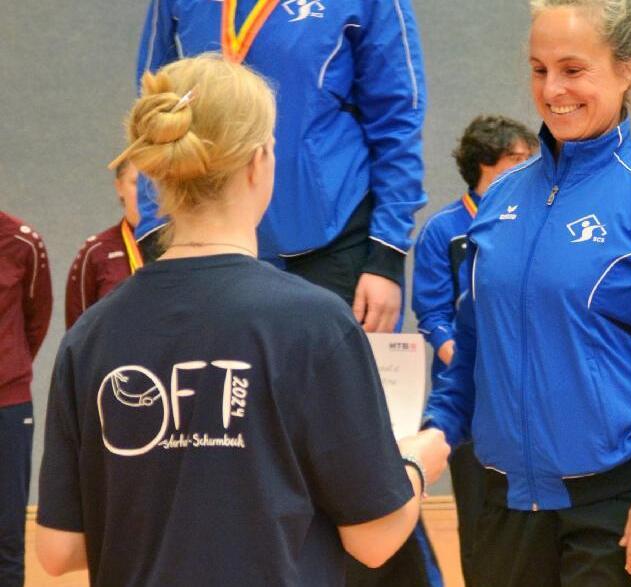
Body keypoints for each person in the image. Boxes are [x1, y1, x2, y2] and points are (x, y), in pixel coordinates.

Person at [35, 54, 448, 587]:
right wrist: (413, 465)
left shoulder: (90, 336)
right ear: (260, 161)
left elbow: (57, 548)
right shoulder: (315, 324)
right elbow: (373, 539)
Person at [422, 1, 631, 584]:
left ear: (627, 68)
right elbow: (474, 337)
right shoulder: (503, 196)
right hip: (505, 504)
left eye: (572, 69)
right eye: (539, 70)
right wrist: (437, 432)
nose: (553, 89)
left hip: (618, 502)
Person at [135, 0, 427, 335]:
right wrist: (154, 236)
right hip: (206, 244)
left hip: (332, 243)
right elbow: (153, 111)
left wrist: (385, 257)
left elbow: (398, 121)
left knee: (331, 385)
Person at [412, 115, 537, 584]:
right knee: (480, 520)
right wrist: (474, 366)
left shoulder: (531, 222)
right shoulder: (444, 230)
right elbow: (434, 316)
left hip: (525, 399)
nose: (529, 168)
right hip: (470, 400)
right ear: (486, 164)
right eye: (518, 160)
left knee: (526, 517)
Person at [0, 211, 52, 587]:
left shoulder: (22, 241)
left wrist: (10, 369)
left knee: (6, 534)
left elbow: (37, 318)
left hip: (8, 405)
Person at [65, 160, 143, 328]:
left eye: (157, 183)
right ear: (119, 187)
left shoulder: (186, 248)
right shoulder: (96, 252)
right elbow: (78, 334)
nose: (147, 192)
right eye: (138, 183)